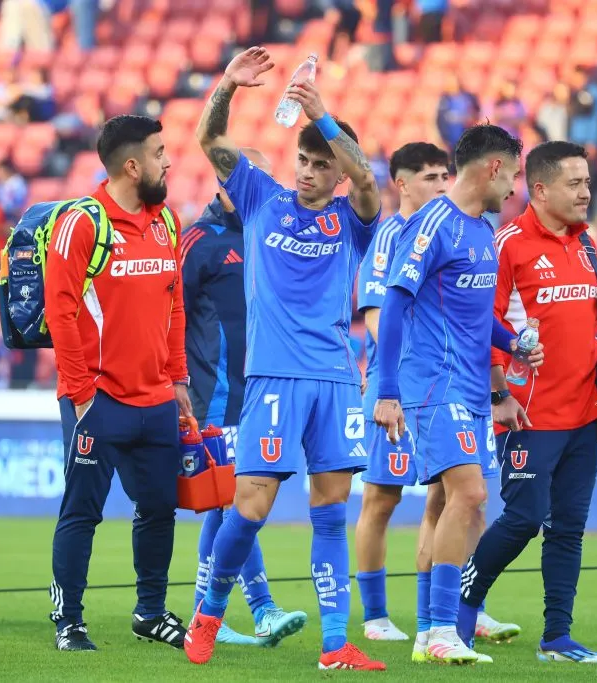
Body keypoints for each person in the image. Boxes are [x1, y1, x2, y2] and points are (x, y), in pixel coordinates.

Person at [185, 46, 385, 671]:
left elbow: (373, 183)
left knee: (330, 514)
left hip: (333, 380)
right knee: (250, 509)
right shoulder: (259, 198)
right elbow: (209, 137)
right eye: (302, 159)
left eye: (320, 164)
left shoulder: (354, 221)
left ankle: (335, 646)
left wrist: (323, 115)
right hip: (272, 379)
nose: (305, 171)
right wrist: (228, 85)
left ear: (339, 174)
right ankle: (209, 616)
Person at [372, 124, 542, 664]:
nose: (514, 186)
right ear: (493, 168)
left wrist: (513, 342)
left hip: (469, 388)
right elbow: (395, 303)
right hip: (432, 382)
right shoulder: (434, 225)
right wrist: (388, 391)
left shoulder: (481, 230)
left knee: (459, 504)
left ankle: (427, 632)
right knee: (469, 495)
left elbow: (475, 318)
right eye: (514, 173)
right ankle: (446, 631)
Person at [456, 141, 597, 664]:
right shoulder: (507, 244)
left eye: (589, 182)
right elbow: (482, 322)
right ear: (541, 188)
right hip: (528, 411)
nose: (586, 192)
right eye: (575, 183)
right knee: (524, 518)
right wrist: (499, 393)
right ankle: (460, 614)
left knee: (568, 527)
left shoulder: (585, 243)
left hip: (584, 412)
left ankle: (557, 637)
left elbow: (577, 323)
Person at [45, 114, 194, 652]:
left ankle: (150, 612)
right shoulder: (81, 222)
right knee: (82, 511)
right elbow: (59, 311)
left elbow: (173, 306)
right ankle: (69, 620)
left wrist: (178, 381)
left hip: (156, 399)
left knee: (158, 507)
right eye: (159, 152)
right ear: (132, 165)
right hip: (98, 400)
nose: (168, 161)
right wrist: (82, 393)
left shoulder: (167, 223)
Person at [181, 147, 306, 647]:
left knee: (226, 502)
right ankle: (262, 607)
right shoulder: (200, 241)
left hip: (263, 389)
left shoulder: (269, 234)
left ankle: (202, 613)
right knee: (232, 495)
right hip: (215, 392)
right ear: (225, 179)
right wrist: (176, 385)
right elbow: (169, 315)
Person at [353, 142, 449, 643]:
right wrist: (398, 378)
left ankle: (443, 611)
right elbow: (374, 315)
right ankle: (375, 616)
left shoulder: (451, 230)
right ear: (402, 184)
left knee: (449, 497)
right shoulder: (390, 236)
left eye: (444, 176)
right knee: (381, 499)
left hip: (446, 386)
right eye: (430, 177)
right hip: (399, 389)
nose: (440, 186)